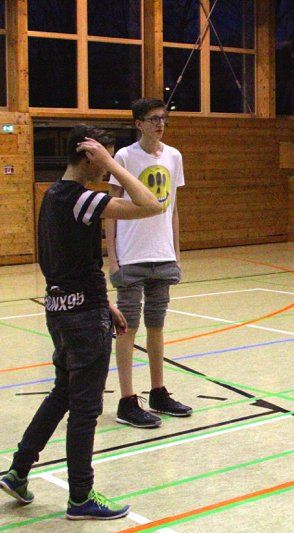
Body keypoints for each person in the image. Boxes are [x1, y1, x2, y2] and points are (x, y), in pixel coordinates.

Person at [0, 125, 162, 519]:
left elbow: (71, 262)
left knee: (62, 393)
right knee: (86, 408)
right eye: (103, 158)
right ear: (89, 155)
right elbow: (151, 205)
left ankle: (19, 470)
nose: (106, 167)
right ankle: (80, 497)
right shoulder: (82, 198)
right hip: (82, 318)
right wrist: (116, 166)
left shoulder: (53, 196)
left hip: (61, 309)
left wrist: (104, 303)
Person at [106, 98, 191, 428]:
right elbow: (111, 208)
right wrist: (113, 258)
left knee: (157, 325)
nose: (160, 124)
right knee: (128, 327)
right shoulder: (124, 157)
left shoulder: (174, 156)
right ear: (138, 123)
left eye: (163, 118)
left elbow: (174, 208)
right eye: (153, 119)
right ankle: (127, 400)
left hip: (162, 255)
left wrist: (176, 253)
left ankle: (158, 392)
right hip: (132, 255)